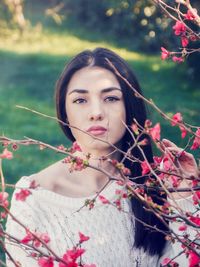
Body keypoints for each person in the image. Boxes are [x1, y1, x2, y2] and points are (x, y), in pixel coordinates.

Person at [5, 47, 198, 267]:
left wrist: (184, 196)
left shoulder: (156, 183)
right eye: (80, 100)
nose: (96, 112)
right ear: (64, 111)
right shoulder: (33, 198)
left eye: (111, 98)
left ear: (129, 107)